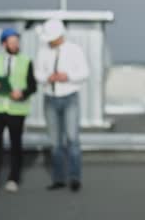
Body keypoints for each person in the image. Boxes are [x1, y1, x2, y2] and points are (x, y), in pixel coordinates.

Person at [34, 18, 88, 192]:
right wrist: (47, 78)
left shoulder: (75, 50)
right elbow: (37, 73)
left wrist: (67, 76)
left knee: (72, 139)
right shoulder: (43, 52)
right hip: (50, 98)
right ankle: (58, 179)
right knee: (55, 142)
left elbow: (84, 72)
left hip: (69, 97)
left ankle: (74, 177)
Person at [0, 28, 37, 193]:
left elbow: (32, 86)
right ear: (4, 43)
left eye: (16, 41)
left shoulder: (26, 60)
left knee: (15, 145)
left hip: (16, 109)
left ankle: (13, 178)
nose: (15, 44)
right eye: (11, 41)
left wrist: (22, 93)